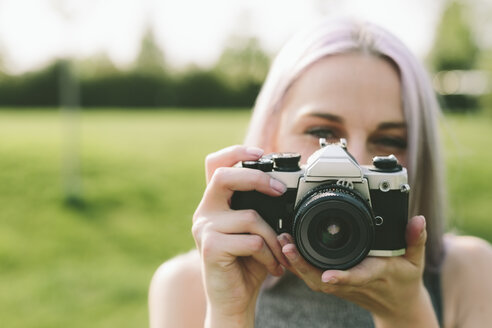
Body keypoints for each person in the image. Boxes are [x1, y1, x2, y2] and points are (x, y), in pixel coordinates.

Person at [148, 18, 492, 328]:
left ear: (418, 157)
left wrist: (406, 313)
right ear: (270, 139)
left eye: (388, 140)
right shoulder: (189, 285)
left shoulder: (468, 274)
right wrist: (231, 314)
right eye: (321, 134)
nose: (351, 161)